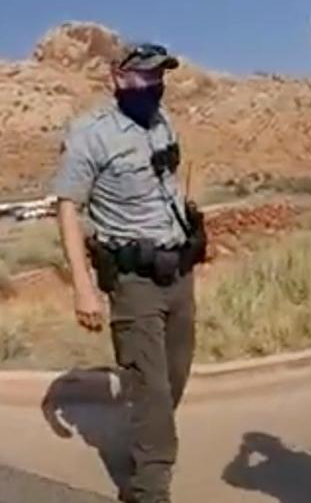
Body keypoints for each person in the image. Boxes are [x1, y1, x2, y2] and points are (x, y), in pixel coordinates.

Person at [51, 42, 207, 503]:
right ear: (116, 77)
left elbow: (168, 185)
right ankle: (149, 488)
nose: (152, 85)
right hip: (133, 282)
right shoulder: (90, 133)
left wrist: (189, 233)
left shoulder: (162, 122)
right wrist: (83, 288)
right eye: (142, 76)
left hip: (177, 271)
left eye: (158, 76)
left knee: (175, 375)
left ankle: (146, 440)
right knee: (151, 388)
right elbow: (67, 209)